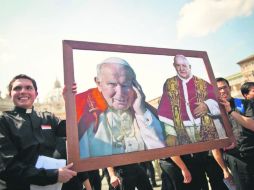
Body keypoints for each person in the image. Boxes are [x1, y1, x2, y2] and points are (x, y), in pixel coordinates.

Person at [0, 74, 91, 190]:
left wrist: (69, 102)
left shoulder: (48, 118)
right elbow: (8, 166)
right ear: (9, 94)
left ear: (36, 94)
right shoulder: (3, 122)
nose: (23, 91)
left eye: (28, 88)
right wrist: (54, 175)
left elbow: (74, 130)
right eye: (17, 88)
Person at [77, 57, 165, 158]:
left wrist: (141, 112)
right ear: (98, 83)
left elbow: (161, 152)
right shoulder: (85, 113)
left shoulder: (140, 109)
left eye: (125, 85)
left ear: (135, 85)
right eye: (112, 84)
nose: (120, 93)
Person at [158, 54, 226, 146]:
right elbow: (166, 111)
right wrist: (171, 133)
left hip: (209, 127)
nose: (181, 69)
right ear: (174, 66)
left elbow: (218, 101)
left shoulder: (202, 83)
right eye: (178, 65)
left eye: (184, 65)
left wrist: (207, 106)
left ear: (189, 67)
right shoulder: (169, 84)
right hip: (184, 131)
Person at [217, 78, 254, 190]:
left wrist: (230, 111)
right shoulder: (214, 111)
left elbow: (252, 125)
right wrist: (224, 169)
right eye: (219, 89)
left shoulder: (241, 103)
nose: (222, 91)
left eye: (224, 87)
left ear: (230, 88)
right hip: (235, 159)